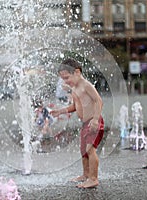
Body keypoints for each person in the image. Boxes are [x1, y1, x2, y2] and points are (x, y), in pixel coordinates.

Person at [50, 58, 104, 188]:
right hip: (85, 124)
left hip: (94, 122)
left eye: (67, 77)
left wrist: (96, 119)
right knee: (83, 151)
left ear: (77, 72)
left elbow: (98, 101)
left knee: (90, 150)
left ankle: (93, 178)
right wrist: (60, 111)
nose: (66, 81)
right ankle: (86, 174)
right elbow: (75, 106)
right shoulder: (75, 89)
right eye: (63, 79)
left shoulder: (86, 85)